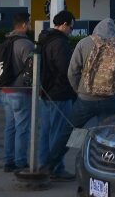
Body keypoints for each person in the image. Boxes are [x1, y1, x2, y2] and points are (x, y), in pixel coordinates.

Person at [46, 18, 115, 182]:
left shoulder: (84, 43)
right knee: (107, 136)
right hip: (111, 100)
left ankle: (50, 166)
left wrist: (79, 89)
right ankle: (104, 171)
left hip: (85, 100)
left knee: (73, 132)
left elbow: (72, 72)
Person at [40, 10, 76, 180]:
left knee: (46, 131)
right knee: (59, 133)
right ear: (64, 24)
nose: (71, 31)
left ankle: (44, 164)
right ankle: (55, 168)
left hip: (46, 92)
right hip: (60, 93)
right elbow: (66, 70)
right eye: (71, 27)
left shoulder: (45, 39)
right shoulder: (60, 43)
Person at [0, 13, 35, 173]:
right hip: (20, 91)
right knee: (22, 128)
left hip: (5, 90)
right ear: (24, 25)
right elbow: (32, 69)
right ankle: (20, 161)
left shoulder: (6, 41)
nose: (30, 25)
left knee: (10, 127)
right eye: (29, 23)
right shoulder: (26, 44)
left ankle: (8, 161)